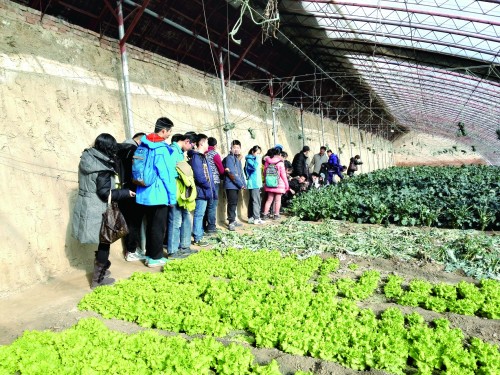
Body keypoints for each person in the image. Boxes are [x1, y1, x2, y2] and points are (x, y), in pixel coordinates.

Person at [72, 133, 136, 288]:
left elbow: (121, 147)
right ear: (108, 148)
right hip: (97, 208)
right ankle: (98, 280)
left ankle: (100, 270)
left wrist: (131, 144)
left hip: (86, 205)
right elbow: (104, 193)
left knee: (102, 240)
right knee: (104, 241)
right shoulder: (102, 169)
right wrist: (125, 193)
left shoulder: (89, 158)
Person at [135, 117, 176, 268]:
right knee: (158, 227)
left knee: (151, 224)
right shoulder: (160, 148)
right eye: (169, 132)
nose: (169, 135)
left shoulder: (143, 144)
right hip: (158, 194)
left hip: (144, 193)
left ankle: (150, 254)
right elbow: (167, 175)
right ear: (163, 130)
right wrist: (172, 197)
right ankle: (155, 257)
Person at [116, 132, 147, 262]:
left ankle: (132, 249)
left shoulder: (120, 149)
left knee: (129, 221)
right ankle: (132, 251)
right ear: (140, 141)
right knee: (134, 222)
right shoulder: (133, 150)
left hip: (121, 191)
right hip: (133, 190)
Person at [165, 133, 195, 259]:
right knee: (175, 221)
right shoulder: (171, 151)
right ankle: (172, 251)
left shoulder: (180, 153)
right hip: (175, 193)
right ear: (186, 141)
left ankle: (184, 246)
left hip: (183, 193)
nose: (191, 148)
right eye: (191, 145)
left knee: (186, 219)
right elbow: (169, 174)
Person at [189, 134, 216, 246]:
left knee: (201, 213)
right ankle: (198, 237)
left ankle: (199, 234)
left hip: (205, 190)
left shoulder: (202, 157)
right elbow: (199, 176)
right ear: (201, 143)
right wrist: (207, 186)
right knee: (199, 214)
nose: (207, 145)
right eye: (206, 142)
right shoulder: (196, 157)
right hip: (201, 191)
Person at [223, 140, 246, 231]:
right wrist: (240, 184)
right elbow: (231, 173)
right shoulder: (229, 158)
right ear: (231, 148)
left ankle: (234, 220)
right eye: (234, 147)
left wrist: (243, 184)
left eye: (238, 148)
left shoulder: (237, 159)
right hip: (231, 185)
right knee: (232, 203)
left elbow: (240, 173)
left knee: (234, 202)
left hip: (237, 185)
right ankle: (231, 222)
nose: (236, 149)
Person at [204, 137, 225, 234]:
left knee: (206, 204)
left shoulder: (204, 153)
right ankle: (211, 227)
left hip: (204, 181)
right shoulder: (215, 154)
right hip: (214, 181)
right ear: (215, 146)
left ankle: (204, 226)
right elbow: (221, 169)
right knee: (213, 205)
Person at [262, 148, 289, 220]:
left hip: (269, 183)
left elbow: (264, 173)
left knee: (269, 200)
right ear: (279, 154)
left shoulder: (267, 162)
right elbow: (283, 175)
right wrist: (287, 185)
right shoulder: (280, 163)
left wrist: (267, 180)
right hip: (279, 184)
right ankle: (276, 215)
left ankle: (265, 214)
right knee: (277, 200)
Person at [245, 145, 264, 224]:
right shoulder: (249, 160)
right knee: (256, 201)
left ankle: (251, 217)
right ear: (253, 152)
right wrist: (257, 159)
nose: (258, 155)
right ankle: (256, 218)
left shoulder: (255, 159)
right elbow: (254, 167)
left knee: (253, 200)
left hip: (257, 183)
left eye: (259, 153)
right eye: (257, 153)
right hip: (253, 183)